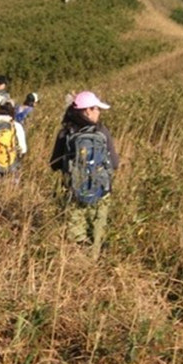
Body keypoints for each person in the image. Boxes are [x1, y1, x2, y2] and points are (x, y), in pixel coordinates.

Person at [49, 91, 119, 259]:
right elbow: (115, 163)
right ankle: (95, 260)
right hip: (101, 191)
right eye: (96, 109)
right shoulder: (101, 131)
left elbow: (54, 164)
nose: (99, 112)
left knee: (76, 232)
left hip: (74, 191)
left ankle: (79, 263)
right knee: (97, 230)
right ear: (87, 110)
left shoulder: (66, 132)